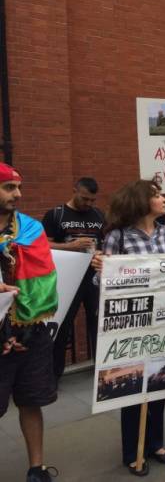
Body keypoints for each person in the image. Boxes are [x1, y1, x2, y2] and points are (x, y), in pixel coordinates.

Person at [91, 180, 165, 476]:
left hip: (164, 317)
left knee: (160, 381)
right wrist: (101, 270)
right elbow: (102, 283)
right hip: (133, 320)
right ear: (141, 201)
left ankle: (155, 443)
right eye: (156, 195)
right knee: (131, 385)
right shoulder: (118, 236)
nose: (163, 199)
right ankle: (133, 451)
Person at [0, 163, 60, 482]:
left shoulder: (31, 229)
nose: (18, 194)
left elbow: (45, 280)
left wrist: (21, 326)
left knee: (31, 401)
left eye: (19, 187)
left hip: (30, 332)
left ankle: (36, 467)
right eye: (10, 188)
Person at [42, 177, 105, 378]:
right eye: (85, 198)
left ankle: (101, 369)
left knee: (98, 322)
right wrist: (70, 246)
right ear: (74, 190)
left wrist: (101, 253)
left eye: (92, 200)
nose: (88, 204)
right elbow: (44, 245)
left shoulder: (98, 215)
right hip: (67, 278)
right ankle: (54, 374)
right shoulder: (56, 214)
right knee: (63, 325)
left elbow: (105, 244)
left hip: (93, 276)